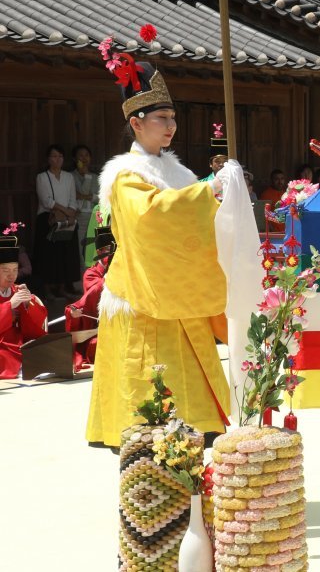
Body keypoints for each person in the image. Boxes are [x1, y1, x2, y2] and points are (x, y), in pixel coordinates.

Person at [86, 53, 254, 447]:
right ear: (136, 122)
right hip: (143, 295)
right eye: (162, 119)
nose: (171, 126)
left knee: (190, 399)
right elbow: (152, 219)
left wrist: (221, 201)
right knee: (151, 393)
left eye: (173, 118)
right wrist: (207, 191)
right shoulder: (125, 176)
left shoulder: (178, 174)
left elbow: (201, 221)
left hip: (181, 293)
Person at [34, 144, 81, 300]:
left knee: (65, 252)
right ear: (48, 159)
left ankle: (62, 287)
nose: (57, 159)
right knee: (48, 254)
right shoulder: (42, 177)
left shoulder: (68, 177)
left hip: (66, 220)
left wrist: (71, 211)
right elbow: (46, 201)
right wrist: (66, 211)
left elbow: (73, 199)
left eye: (60, 156)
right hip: (48, 218)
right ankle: (47, 289)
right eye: (54, 156)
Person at [0, 228, 48, 379]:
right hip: (3, 348)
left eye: (15, 270)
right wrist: (9, 306)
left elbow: (37, 331)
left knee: (45, 348)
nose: (11, 275)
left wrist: (28, 304)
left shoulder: (17, 291)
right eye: (5, 270)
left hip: (19, 344)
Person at [64, 226, 113, 370]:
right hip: (97, 328)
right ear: (99, 252)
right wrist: (111, 279)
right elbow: (91, 299)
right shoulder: (90, 274)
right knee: (98, 345)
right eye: (109, 252)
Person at [71, 145, 99, 262]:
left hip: (94, 216)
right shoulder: (71, 176)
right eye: (81, 155)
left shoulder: (96, 177)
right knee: (80, 248)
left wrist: (86, 197)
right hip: (78, 216)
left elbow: (100, 198)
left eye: (86, 155)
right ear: (74, 158)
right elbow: (75, 195)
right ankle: (82, 276)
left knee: (94, 248)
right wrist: (86, 176)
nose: (84, 158)